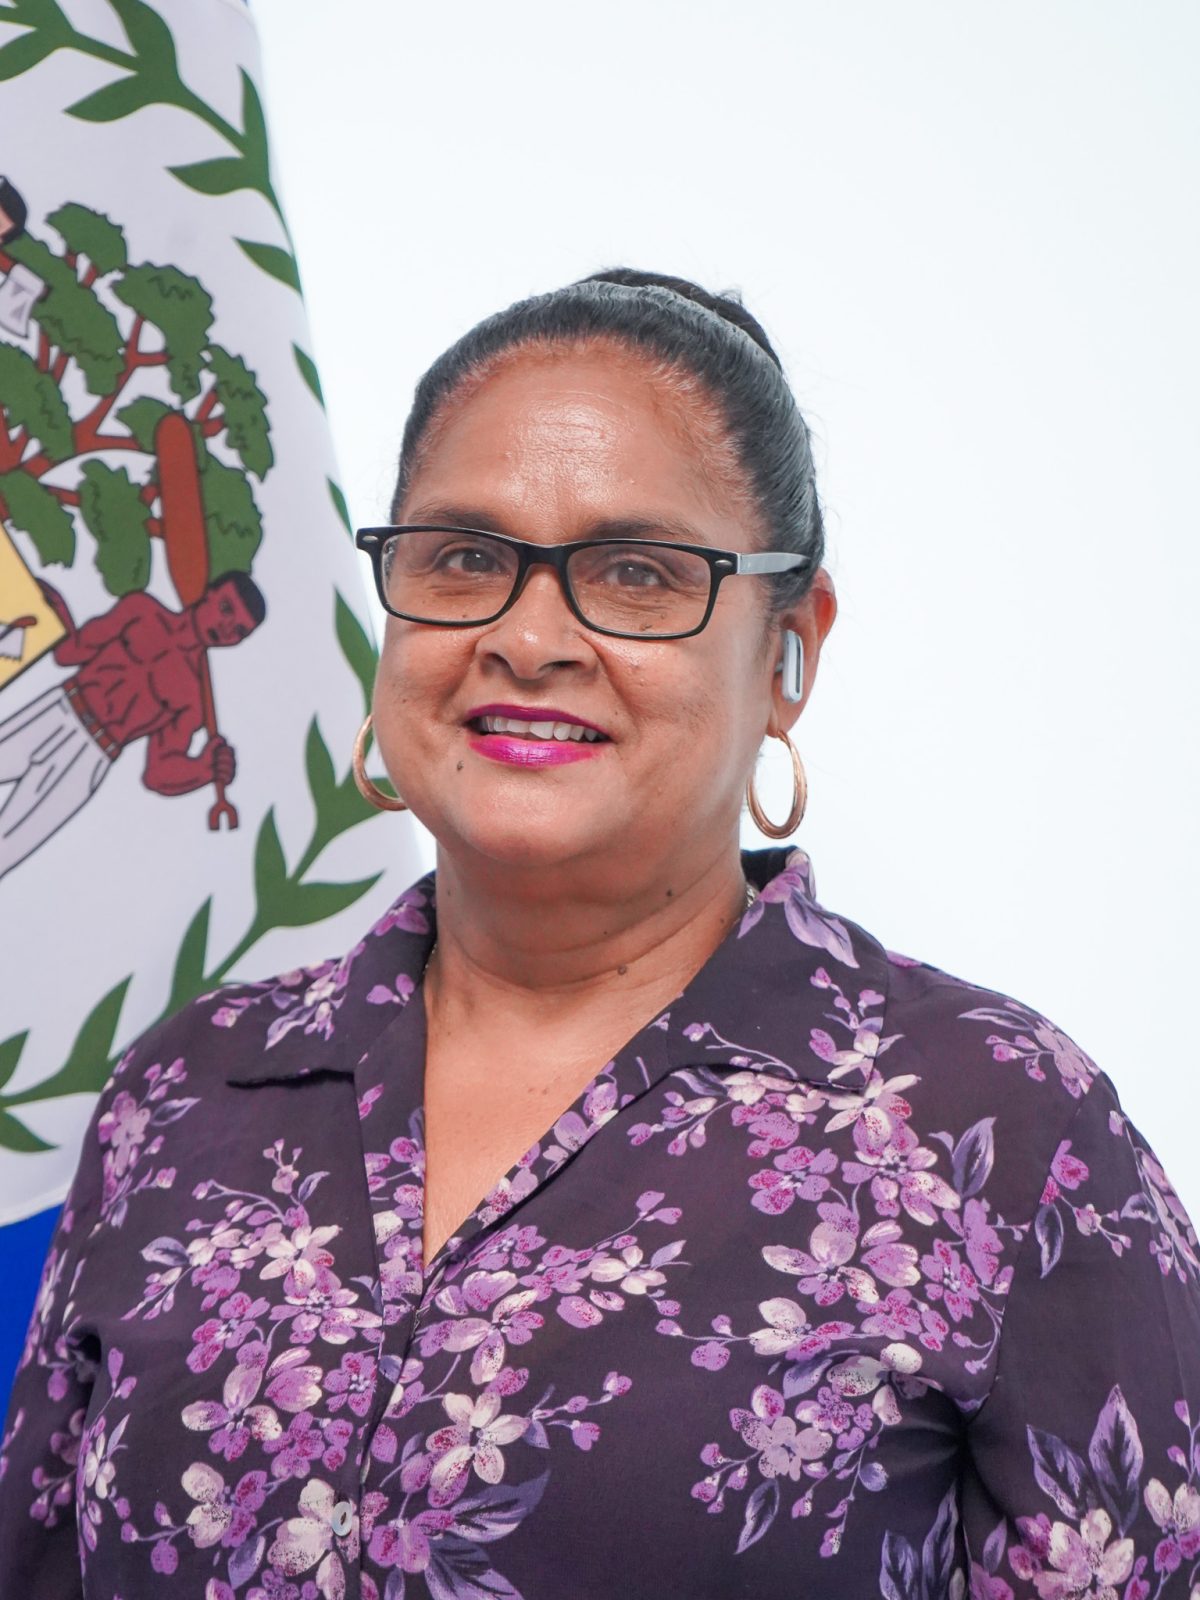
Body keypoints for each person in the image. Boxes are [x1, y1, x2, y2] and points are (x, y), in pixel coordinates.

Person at [1, 270, 1196, 1599]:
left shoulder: (1000, 1129)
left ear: (789, 651)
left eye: (636, 573)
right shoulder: (186, 1091)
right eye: (464, 557)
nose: (527, 638)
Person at [0, 572, 264, 878]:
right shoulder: (141, 610)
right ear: (209, 593)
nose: (227, 628)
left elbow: (158, 772)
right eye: (226, 609)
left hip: (89, 759)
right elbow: (70, 653)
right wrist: (56, 609)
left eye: (239, 631)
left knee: (7, 846)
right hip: (57, 710)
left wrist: (205, 770)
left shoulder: (194, 699)